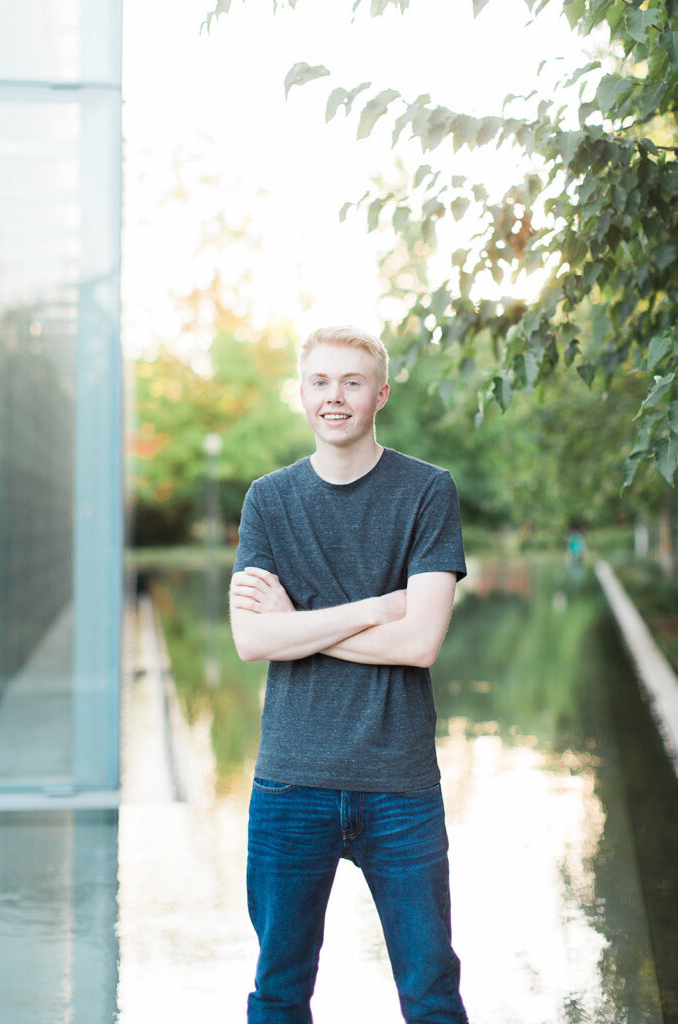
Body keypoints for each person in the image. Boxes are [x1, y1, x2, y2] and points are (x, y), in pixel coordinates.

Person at [229, 325, 470, 1024]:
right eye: (320, 382)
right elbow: (251, 638)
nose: (334, 397)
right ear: (302, 396)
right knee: (278, 991)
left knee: (430, 991)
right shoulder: (267, 500)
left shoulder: (426, 491)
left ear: (380, 395)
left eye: (351, 382)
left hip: (397, 784)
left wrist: (297, 629)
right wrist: (372, 610)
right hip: (289, 784)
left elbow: (420, 641)